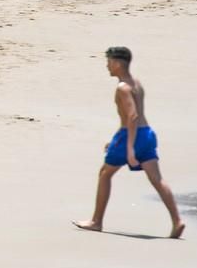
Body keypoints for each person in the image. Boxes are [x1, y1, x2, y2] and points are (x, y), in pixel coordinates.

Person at [73, 46, 186, 239]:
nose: (107, 66)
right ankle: (177, 221)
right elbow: (133, 117)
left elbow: (131, 116)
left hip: (131, 136)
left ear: (117, 64)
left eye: (108, 62)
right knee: (157, 179)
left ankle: (96, 221)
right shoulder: (137, 84)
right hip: (147, 134)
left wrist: (130, 149)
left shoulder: (122, 88)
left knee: (104, 174)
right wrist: (115, 139)